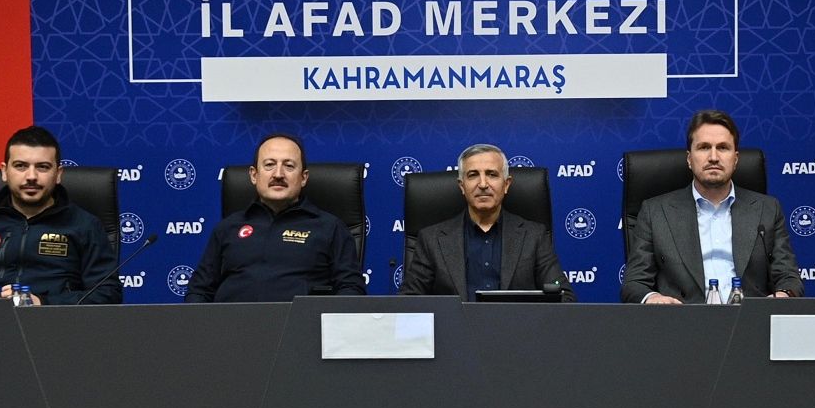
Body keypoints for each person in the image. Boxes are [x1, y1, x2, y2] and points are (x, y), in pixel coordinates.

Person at [620, 110, 803, 304]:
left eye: (723, 148)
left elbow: (789, 277)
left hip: (749, 319)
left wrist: (783, 295)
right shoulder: (655, 212)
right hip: (683, 318)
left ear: (736, 159)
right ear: (689, 159)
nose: (713, 157)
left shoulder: (768, 209)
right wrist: (653, 298)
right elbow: (634, 283)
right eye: (704, 147)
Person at [0, 125, 121, 304]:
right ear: (4, 172)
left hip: (55, 323)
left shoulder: (84, 225)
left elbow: (108, 293)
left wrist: (43, 303)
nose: (31, 176)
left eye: (43, 167)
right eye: (21, 166)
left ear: (58, 174)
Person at [184, 133, 365, 302]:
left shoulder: (330, 228)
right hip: (231, 324)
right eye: (269, 165)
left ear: (303, 178)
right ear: (254, 175)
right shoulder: (227, 228)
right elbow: (199, 291)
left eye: (289, 166)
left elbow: (351, 289)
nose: (278, 174)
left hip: (301, 324)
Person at [401, 143, 575, 302]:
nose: (483, 184)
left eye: (492, 174)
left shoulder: (533, 236)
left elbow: (564, 298)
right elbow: (408, 302)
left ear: (506, 184)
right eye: (473, 175)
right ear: (462, 186)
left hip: (515, 326)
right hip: (455, 327)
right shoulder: (431, 239)